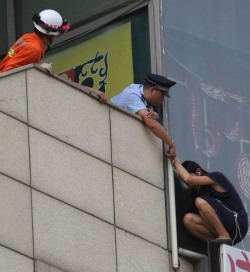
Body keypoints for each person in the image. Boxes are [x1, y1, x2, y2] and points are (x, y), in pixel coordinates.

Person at [0, 9, 106, 103]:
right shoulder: (34, 49)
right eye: (58, 33)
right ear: (49, 34)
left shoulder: (29, 38)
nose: (58, 36)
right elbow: (9, 76)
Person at [171, 158, 248, 245]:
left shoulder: (216, 177)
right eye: (183, 182)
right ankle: (219, 246)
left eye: (187, 176)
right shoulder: (196, 193)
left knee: (200, 202)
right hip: (225, 227)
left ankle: (224, 235)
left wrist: (175, 160)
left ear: (198, 171)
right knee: (188, 220)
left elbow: (188, 179)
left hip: (238, 222)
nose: (186, 184)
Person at [111, 73, 177, 159]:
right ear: (152, 90)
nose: (163, 100)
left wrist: (155, 115)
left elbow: (152, 118)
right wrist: (171, 144)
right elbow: (152, 124)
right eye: (162, 95)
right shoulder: (132, 95)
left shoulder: (144, 96)